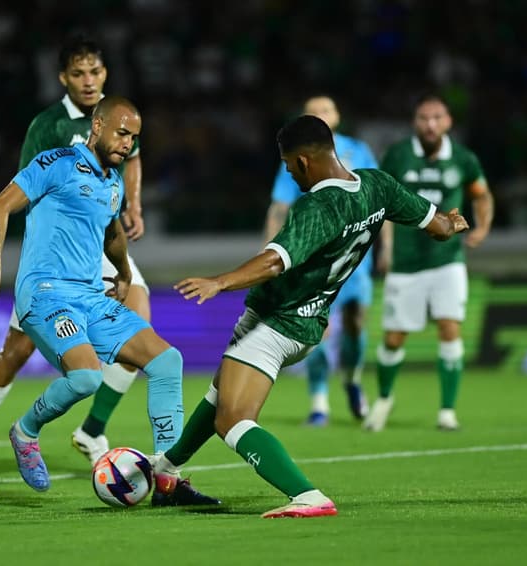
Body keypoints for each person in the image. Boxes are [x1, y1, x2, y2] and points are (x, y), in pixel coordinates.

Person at [150, 114, 469, 518]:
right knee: (221, 393)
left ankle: (307, 495)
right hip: (307, 321)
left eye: (287, 165)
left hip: (277, 321)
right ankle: (165, 472)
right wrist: (452, 223)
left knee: (232, 419)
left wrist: (219, 281)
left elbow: (273, 262)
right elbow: (438, 225)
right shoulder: (377, 185)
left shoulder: (317, 206)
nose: (289, 173)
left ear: (302, 161)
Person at [0, 96, 219, 506]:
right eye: (122, 133)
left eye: (134, 138)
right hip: (45, 293)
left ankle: (170, 483)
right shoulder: (56, 163)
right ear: (97, 126)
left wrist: (121, 271)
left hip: (90, 295)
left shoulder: (113, 182)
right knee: (86, 378)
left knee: (167, 361)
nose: (127, 144)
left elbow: (113, 232)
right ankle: (26, 430)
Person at [0, 34, 151, 483]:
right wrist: (9, 263)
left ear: (105, 75)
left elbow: (131, 160)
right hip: (56, 257)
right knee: (14, 353)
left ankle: (92, 429)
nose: (88, 80)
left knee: (139, 336)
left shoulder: (119, 119)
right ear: (63, 78)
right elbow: (24, 190)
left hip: (103, 243)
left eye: (95, 71)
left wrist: (131, 205)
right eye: (78, 73)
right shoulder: (48, 126)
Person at [364, 94, 493, 432]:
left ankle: (447, 411)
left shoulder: (463, 159)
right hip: (406, 262)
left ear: (448, 122)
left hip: (447, 260)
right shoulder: (398, 155)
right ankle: (384, 399)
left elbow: (481, 194)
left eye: (437, 117)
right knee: (393, 338)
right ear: (414, 122)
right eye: (424, 118)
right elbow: (383, 202)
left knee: (450, 328)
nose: (430, 124)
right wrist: (387, 247)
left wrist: (482, 228)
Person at [264, 95, 377, 426]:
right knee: (318, 329)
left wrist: (387, 246)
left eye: (326, 109)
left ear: (338, 115)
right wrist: (269, 249)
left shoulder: (360, 151)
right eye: (314, 112)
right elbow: (279, 207)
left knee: (356, 322)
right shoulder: (298, 156)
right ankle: (319, 403)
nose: (322, 115)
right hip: (314, 257)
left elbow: (381, 195)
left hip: (356, 255)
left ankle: (353, 380)